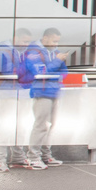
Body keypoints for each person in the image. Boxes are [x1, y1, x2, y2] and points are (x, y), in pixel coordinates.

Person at [19, 27, 67, 168]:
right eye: (53, 41)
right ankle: (34, 157)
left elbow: (64, 71)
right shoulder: (34, 53)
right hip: (42, 92)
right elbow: (41, 72)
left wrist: (56, 68)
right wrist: (56, 63)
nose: (55, 44)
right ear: (45, 38)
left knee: (50, 126)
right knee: (40, 125)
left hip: (53, 91)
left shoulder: (54, 53)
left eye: (57, 42)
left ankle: (45, 155)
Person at [0, 27, 31, 172]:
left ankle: (18, 157)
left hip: (24, 93)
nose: (26, 44)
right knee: (6, 127)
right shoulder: (4, 50)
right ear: (15, 38)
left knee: (21, 127)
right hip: (9, 94)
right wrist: (28, 66)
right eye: (24, 41)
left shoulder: (24, 52)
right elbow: (7, 71)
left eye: (28, 41)